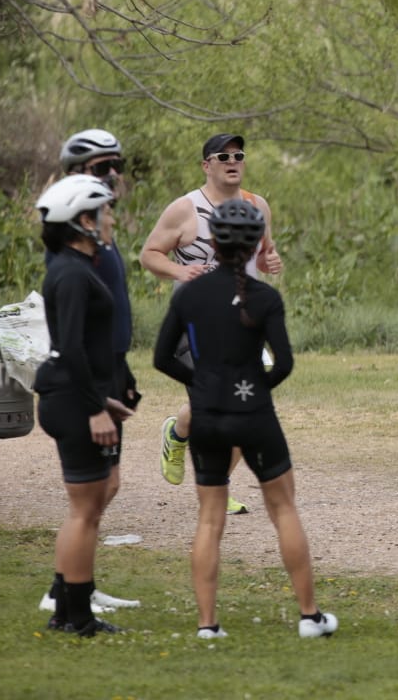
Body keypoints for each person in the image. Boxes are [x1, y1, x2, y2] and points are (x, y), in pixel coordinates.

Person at [152, 198, 336, 640]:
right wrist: (254, 390)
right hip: (254, 415)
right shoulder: (265, 297)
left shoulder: (189, 293)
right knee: (284, 509)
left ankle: (207, 625)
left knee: (210, 518)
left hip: (208, 417)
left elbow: (162, 358)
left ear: (212, 241)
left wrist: (200, 389)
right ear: (257, 246)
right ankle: (309, 617)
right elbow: (285, 364)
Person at [140, 132, 283, 515]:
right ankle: (178, 432)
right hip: (196, 322)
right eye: (224, 156)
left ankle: (220, 486)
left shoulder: (257, 205)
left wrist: (270, 262)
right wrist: (180, 271)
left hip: (243, 320)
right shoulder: (184, 209)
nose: (233, 160)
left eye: (239, 155)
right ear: (207, 165)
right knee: (215, 401)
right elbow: (149, 254)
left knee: (243, 402)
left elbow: (265, 251)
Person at [38, 129, 143, 620]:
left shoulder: (94, 249)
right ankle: (67, 600)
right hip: (82, 389)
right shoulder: (74, 265)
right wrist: (97, 403)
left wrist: (119, 374)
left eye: (114, 166)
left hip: (104, 374)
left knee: (103, 490)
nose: (113, 179)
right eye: (102, 169)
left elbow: (100, 329)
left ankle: (77, 592)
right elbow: (72, 343)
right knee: (86, 503)